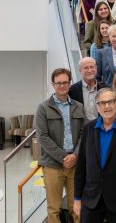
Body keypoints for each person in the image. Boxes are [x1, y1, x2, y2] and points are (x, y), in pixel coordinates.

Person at [73, 88, 116, 223]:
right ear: (97, 107)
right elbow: (81, 166)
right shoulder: (88, 129)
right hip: (91, 199)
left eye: (110, 102)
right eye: (102, 103)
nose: (107, 106)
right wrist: (77, 198)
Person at [35, 68, 85, 223]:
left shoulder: (78, 106)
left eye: (65, 82)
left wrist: (75, 155)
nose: (62, 86)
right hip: (52, 165)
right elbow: (42, 136)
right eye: (58, 83)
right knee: (54, 208)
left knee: (77, 207)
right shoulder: (43, 108)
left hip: (75, 164)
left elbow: (84, 134)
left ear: (69, 84)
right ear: (53, 85)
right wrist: (64, 157)